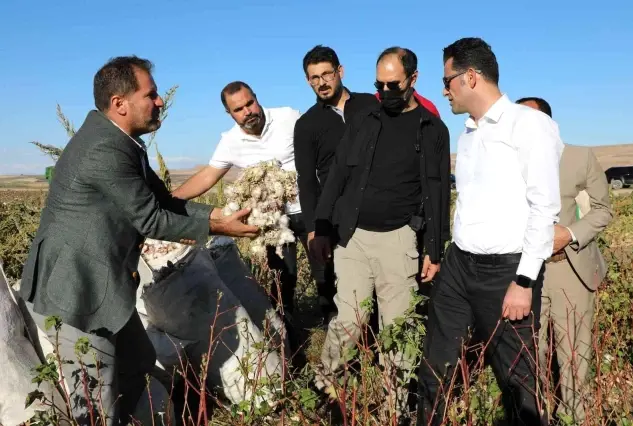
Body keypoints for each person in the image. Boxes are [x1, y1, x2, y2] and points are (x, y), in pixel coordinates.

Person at [19, 56, 259, 425]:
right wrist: (220, 229)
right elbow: (149, 218)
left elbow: (161, 200)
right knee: (95, 398)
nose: (160, 101)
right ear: (120, 104)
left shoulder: (121, 140)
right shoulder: (105, 148)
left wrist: (216, 216)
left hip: (105, 285)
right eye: (152, 94)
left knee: (137, 364)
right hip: (77, 290)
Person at [417, 38, 563, 426]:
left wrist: (524, 280)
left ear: (470, 77)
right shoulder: (468, 133)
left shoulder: (530, 125)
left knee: (516, 376)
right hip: (459, 264)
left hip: (506, 272)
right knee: (435, 365)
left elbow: (544, 207)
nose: (443, 89)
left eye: (447, 80)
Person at [310, 46, 451, 418]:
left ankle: (398, 405)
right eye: (379, 85)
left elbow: (438, 193)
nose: (385, 92)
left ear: (413, 80)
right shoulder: (365, 118)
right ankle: (325, 393)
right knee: (350, 319)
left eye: (394, 85)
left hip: (399, 238)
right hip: (352, 236)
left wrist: (434, 250)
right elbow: (338, 173)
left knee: (399, 325)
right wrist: (322, 227)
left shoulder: (432, 128)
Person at [172, 82, 304, 318]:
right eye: (238, 109)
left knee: (325, 267)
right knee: (282, 278)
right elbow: (208, 175)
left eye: (250, 103)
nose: (247, 112)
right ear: (229, 113)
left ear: (256, 97)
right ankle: (287, 335)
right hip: (273, 221)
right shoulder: (230, 141)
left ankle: (335, 325)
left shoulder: (288, 117)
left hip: (308, 209)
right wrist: (170, 198)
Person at [517, 96, 612, 422]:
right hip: (527, 274)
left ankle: (575, 416)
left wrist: (569, 233)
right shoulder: (508, 164)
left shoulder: (579, 156)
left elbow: (603, 210)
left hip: (571, 269)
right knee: (529, 353)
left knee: (575, 355)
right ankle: (536, 416)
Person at [293, 45, 379, 325]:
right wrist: (314, 228)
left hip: (379, 209)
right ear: (308, 81)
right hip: (338, 217)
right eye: (314, 78)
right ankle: (347, 358)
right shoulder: (307, 124)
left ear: (340, 72)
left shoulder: (371, 105)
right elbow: (306, 180)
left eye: (326, 74)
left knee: (382, 285)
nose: (321, 82)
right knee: (338, 289)